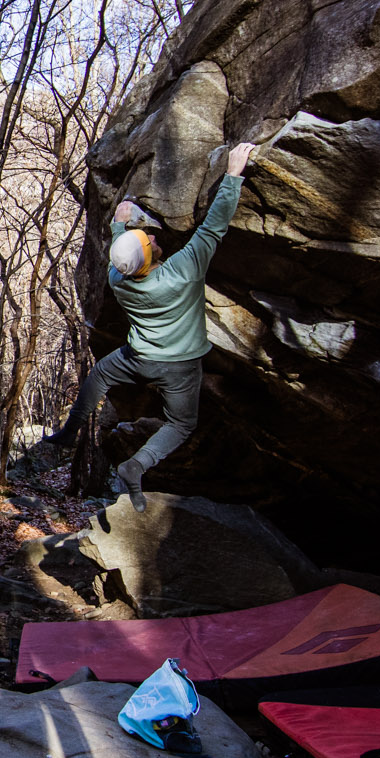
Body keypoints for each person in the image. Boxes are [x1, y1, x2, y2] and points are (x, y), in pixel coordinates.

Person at [82, 141, 255, 511]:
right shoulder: (182, 273)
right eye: (150, 240)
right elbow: (211, 229)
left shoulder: (119, 279)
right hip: (180, 364)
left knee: (169, 416)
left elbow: (121, 255)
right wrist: (232, 176)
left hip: (144, 359)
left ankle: (135, 465)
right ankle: (138, 464)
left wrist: (119, 224)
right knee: (182, 424)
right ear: (150, 255)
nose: (154, 237)